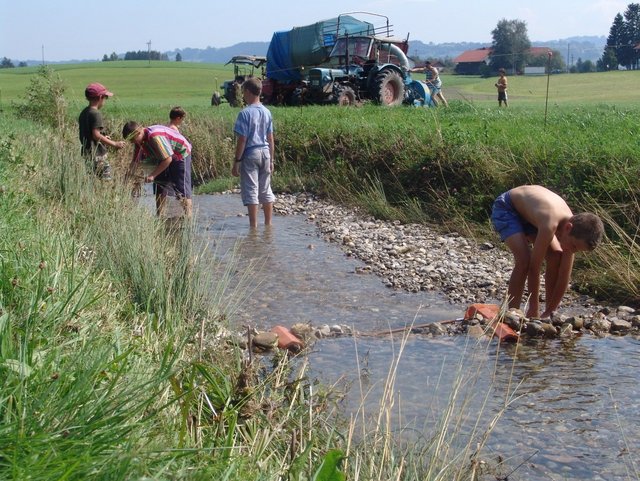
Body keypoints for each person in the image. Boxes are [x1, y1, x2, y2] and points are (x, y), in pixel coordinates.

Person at [491, 185, 604, 319]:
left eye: (577, 250)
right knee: (524, 261)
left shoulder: (573, 232)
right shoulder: (549, 224)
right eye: (573, 246)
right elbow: (534, 268)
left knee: (557, 255)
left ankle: (548, 312)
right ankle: (512, 313)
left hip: (533, 215)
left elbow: (564, 276)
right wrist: (534, 309)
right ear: (568, 228)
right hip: (508, 208)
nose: (572, 251)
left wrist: (550, 312)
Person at [122, 121, 193, 217]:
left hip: (180, 153)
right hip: (164, 156)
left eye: (133, 139)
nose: (133, 142)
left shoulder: (154, 137)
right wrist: (127, 178)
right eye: (131, 141)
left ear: (138, 132)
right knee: (160, 186)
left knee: (181, 189)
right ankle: (160, 216)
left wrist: (152, 175)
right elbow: (135, 162)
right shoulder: (139, 141)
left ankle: (189, 217)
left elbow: (168, 159)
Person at [231, 78, 275, 229]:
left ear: (248, 92)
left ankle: (253, 227)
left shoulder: (245, 113)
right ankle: (268, 224)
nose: (243, 95)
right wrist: (272, 160)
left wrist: (237, 161)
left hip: (251, 153)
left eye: (243, 92)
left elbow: (242, 139)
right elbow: (270, 138)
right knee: (265, 190)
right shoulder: (267, 112)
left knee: (251, 190)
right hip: (266, 153)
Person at [78, 82, 126, 179]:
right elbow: (96, 135)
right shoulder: (96, 114)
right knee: (105, 181)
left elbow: (90, 134)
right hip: (97, 155)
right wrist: (115, 144)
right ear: (100, 97)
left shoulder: (84, 112)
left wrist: (104, 137)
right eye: (105, 98)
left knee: (92, 179)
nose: (105, 101)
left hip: (86, 153)